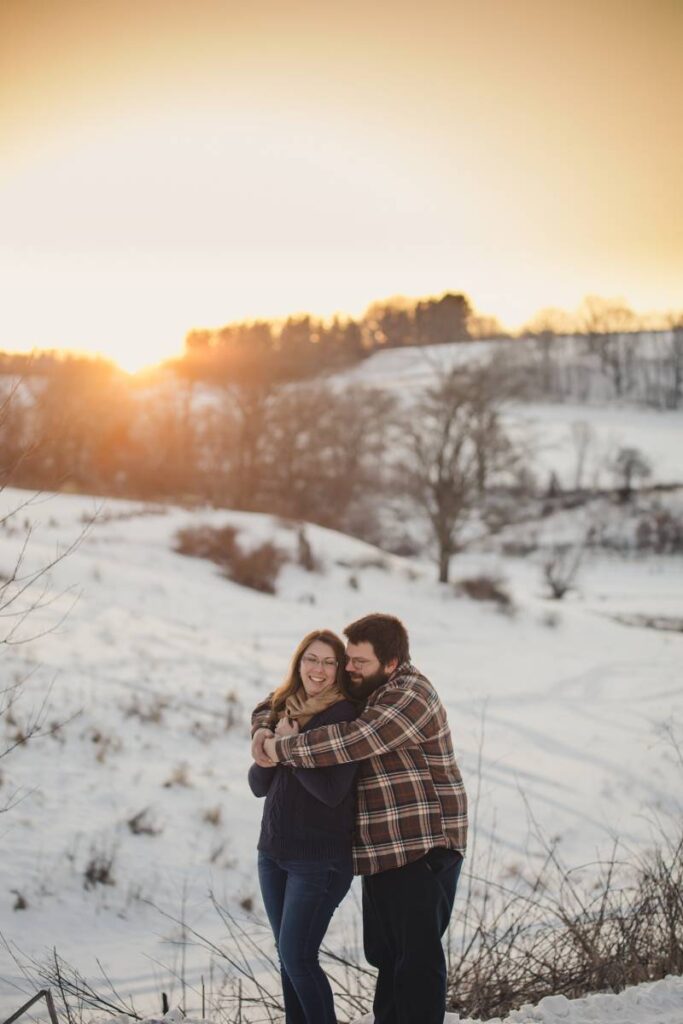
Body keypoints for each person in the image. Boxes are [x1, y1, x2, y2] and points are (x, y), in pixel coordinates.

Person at [252, 613, 468, 1024]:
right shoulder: (370, 685)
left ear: (390, 663)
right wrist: (263, 729)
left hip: (423, 844)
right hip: (380, 848)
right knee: (387, 957)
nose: (348, 668)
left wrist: (283, 747)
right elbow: (277, 699)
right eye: (347, 659)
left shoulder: (410, 694)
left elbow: (354, 740)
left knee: (416, 958)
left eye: (359, 662)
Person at [248, 628, 360, 1024]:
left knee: (298, 956)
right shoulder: (285, 710)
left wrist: (288, 750)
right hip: (273, 854)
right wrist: (269, 748)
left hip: (319, 861)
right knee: (287, 957)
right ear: (299, 663)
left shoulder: (344, 716)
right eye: (312, 659)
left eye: (330, 662)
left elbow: (332, 791)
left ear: (339, 671)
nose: (319, 669)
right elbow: (258, 785)